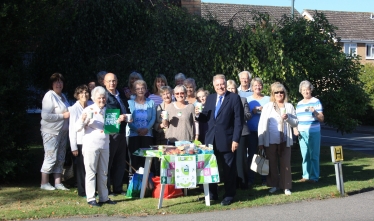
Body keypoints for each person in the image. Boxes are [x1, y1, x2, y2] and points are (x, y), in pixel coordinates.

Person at [195, 74, 243, 206]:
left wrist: (236, 139)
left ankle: (229, 195)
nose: (220, 87)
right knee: (210, 168)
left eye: (222, 84)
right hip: (211, 139)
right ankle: (212, 193)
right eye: (217, 85)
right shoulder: (210, 98)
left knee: (228, 169)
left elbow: (238, 121)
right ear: (214, 86)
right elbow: (206, 118)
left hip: (228, 139)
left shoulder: (234, 98)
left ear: (226, 84)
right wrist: (198, 115)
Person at [77, 86, 125, 207]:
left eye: (104, 98)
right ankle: (91, 198)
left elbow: (111, 130)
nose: (102, 100)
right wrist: (83, 120)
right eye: (99, 98)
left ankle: (104, 197)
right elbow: (77, 128)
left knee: (103, 172)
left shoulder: (108, 111)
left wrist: (117, 122)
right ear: (94, 98)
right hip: (91, 145)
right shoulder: (88, 109)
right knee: (91, 172)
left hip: (105, 144)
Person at [258, 82, 298, 196]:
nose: (279, 94)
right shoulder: (268, 106)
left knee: (285, 163)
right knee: (272, 163)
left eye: (281, 92)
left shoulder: (289, 106)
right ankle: (274, 185)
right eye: (277, 92)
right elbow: (261, 125)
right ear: (273, 94)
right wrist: (260, 142)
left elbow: (295, 122)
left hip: (285, 140)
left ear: (284, 94)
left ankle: (286, 186)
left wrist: (288, 118)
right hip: (270, 140)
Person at [40, 73, 70, 191]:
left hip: (63, 132)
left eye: (61, 81)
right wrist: (62, 116)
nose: (59, 84)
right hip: (51, 131)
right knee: (50, 156)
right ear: (52, 84)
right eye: (56, 82)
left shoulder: (63, 96)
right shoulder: (49, 95)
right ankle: (44, 182)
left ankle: (58, 182)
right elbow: (45, 116)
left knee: (60, 157)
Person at [104, 73, 130, 195]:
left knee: (120, 161)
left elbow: (126, 109)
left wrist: (128, 116)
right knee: (109, 162)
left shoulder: (120, 94)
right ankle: (107, 189)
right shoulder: (104, 96)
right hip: (111, 132)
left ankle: (118, 188)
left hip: (122, 131)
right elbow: (107, 113)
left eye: (114, 81)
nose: (112, 83)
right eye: (109, 81)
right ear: (104, 83)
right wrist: (117, 118)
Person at [294, 80, 324, 183]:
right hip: (301, 132)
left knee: (314, 155)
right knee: (305, 155)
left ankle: (314, 177)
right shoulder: (299, 104)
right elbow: (296, 119)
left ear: (311, 90)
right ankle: (305, 176)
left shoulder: (316, 101)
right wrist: (295, 128)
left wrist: (314, 112)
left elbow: (321, 118)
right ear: (300, 91)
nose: (306, 92)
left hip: (314, 131)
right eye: (303, 90)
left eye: (307, 89)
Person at [227, 80, 251, 190]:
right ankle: (233, 182)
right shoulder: (224, 101)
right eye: (229, 88)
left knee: (241, 160)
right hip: (229, 133)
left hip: (242, 133)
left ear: (236, 89)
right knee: (231, 159)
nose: (231, 90)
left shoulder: (242, 100)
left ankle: (244, 183)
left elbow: (248, 115)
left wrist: (238, 113)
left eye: (233, 88)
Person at [127, 80, 156, 171]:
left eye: (142, 88)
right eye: (138, 89)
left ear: (146, 89)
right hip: (133, 135)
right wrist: (137, 129)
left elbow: (153, 117)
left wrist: (146, 129)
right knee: (134, 159)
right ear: (134, 91)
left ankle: (147, 182)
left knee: (146, 159)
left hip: (147, 135)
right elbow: (128, 119)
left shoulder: (151, 102)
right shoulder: (130, 103)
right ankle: (134, 181)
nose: (140, 90)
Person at [246, 77, 270, 186]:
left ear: (262, 87)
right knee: (251, 155)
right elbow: (245, 116)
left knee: (264, 155)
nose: (257, 87)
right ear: (251, 87)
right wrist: (253, 111)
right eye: (255, 85)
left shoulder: (268, 99)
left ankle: (265, 178)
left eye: (259, 85)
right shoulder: (248, 99)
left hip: (265, 131)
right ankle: (250, 179)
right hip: (251, 131)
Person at [68, 85, 90, 197]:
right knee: (81, 168)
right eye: (81, 93)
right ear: (77, 95)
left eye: (86, 92)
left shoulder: (91, 105)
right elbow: (72, 128)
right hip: (80, 142)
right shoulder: (74, 109)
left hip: (90, 141)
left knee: (89, 167)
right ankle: (82, 191)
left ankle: (90, 190)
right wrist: (73, 147)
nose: (84, 94)